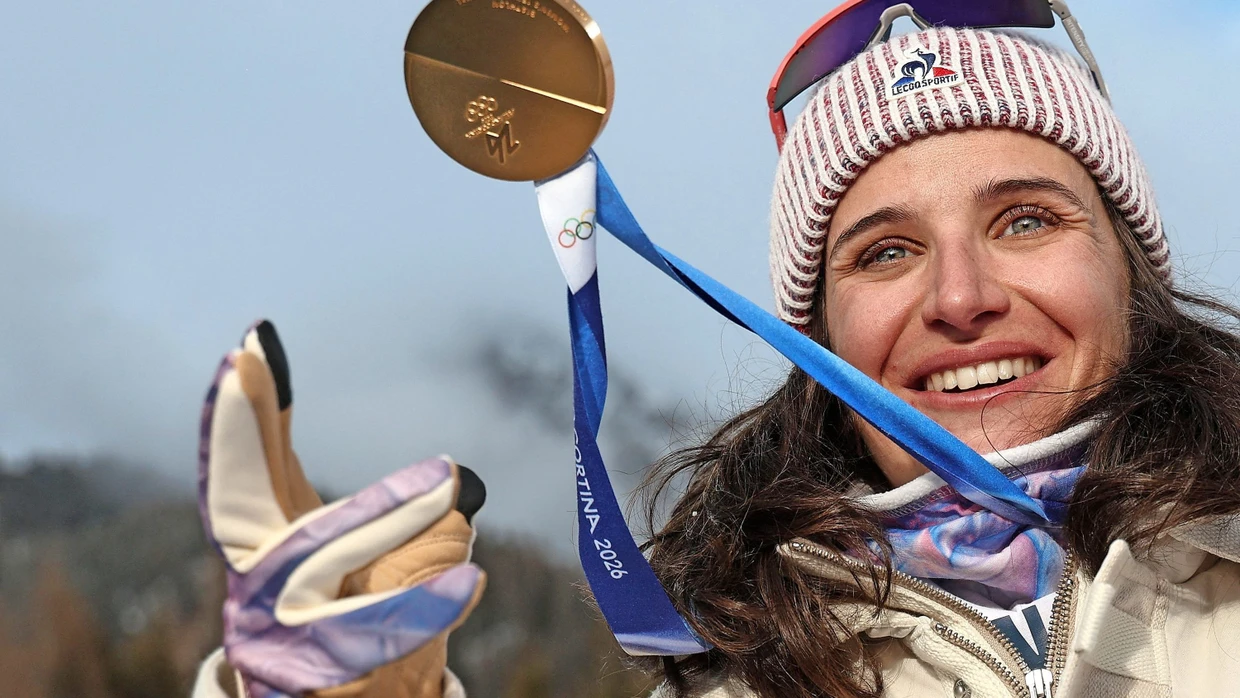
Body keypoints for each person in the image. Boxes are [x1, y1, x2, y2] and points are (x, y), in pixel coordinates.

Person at [192, 6, 1240, 698]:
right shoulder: (737, 672)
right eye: (885, 251)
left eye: (1024, 221)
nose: (960, 297)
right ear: (815, 332)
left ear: (1126, 268)